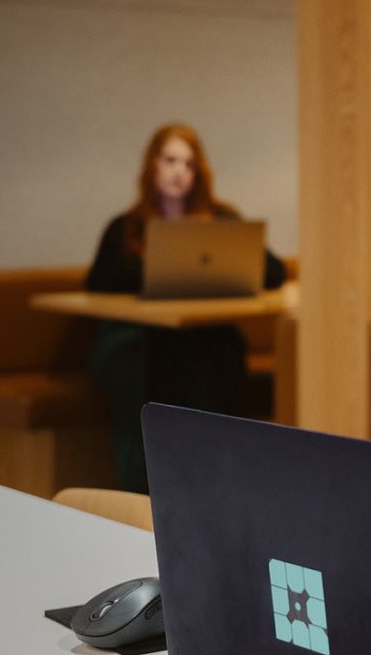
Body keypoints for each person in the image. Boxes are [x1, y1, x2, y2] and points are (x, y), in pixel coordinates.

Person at [86, 122, 285, 493]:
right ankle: (145, 487)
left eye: (189, 164)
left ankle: (212, 482)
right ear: (152, 165)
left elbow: (272, 271)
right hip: (134, 335)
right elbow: (98, 283)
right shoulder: (126, 228)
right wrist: (156, 278)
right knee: (147, 360)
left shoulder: (221, 219)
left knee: (223, 348)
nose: (179, 171)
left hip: (200, 336)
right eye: (170, 160)